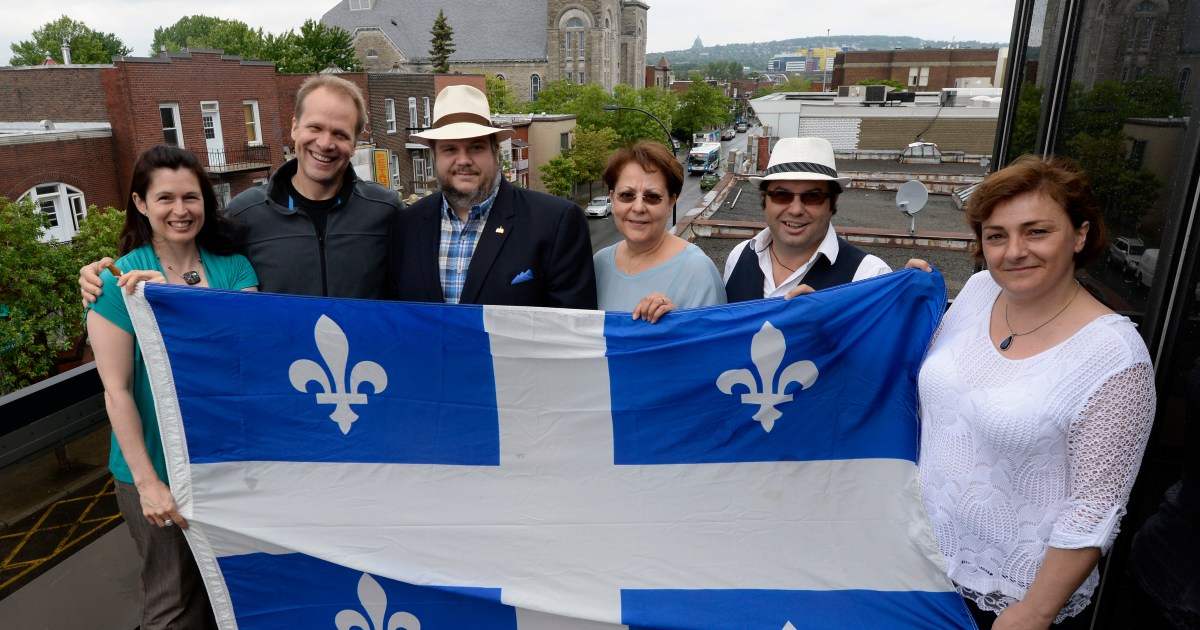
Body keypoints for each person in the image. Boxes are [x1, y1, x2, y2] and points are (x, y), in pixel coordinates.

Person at [917, 155, 1156, 628]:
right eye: (996, 236)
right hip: (921, 561)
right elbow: (932, 374)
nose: (1013, 251)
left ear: (1080, 235)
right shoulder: (981, 290)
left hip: (1006, 600)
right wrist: (829, 318)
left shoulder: (1114, 357)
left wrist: (1034, 611)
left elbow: (1095, 509)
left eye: (1037, 231)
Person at [86, 146, 259, 629]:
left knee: (230, 592)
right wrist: (147, 484)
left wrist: (169, 297)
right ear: (141, 204)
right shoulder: (116, 283)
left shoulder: (235, 268)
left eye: (191, 197)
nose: (180, 210)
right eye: (165, 198)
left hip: (226, 463)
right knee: (171, 605)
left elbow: (243, 345)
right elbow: (115, 391)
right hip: (155, 467)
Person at [81, 74, 400, 300]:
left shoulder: (386, 210)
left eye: (341, 134)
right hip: (274, 384)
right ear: (294, 127)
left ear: (356, 140)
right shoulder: (245, 213)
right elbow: (182, 250)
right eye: (315, 127)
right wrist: (106, 273)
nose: (325, 143)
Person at [386, 85, 596, 308]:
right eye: (450, 149)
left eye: (476, 147)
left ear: (496, 152)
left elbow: (574, 330)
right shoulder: (406, 225)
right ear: (434, 157)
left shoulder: (556, 222)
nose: (463, 160)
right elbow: (395, 320)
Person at [723, 137, 890, 301]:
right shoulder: (738, 257)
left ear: (833, 201)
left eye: (812, 196)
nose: (796, 210)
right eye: (782, 195)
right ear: (763, 198)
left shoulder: (870, 277)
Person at [593, 140, 725, 321]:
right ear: (612, 199)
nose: (638, 207)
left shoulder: (698, 271)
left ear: (671, 202)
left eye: (652, 197)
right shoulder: (598, 263)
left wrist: (673, 325)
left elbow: (710, 346)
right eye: (626, 195)